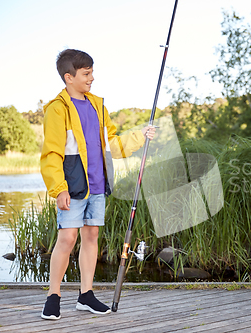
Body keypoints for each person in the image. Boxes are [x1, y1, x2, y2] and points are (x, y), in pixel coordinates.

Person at [40, 49, 156, 320]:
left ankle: (86, 295)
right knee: (67, 238)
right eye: (86, 73)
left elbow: (112, 144)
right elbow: (51, 154)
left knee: (91, 237)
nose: (92, 78)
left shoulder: (98, 106)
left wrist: (140, 136)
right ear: (69, 77)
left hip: (98, 185)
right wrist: (59, 189)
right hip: (73, 187)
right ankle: (53, 295)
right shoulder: (57, 110)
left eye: (92, 72)